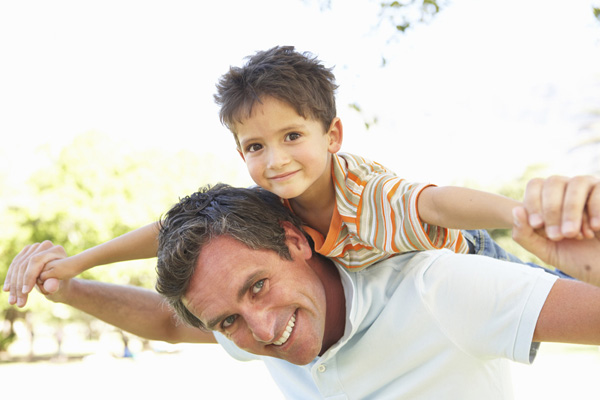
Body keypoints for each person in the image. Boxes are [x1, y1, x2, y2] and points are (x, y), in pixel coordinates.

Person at [3, 47, 597, 306]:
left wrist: (520, 216)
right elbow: (169, 231)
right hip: (400, 282)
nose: (276, 159)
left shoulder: (368, 196)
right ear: (241, 154)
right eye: (256, 146)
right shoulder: (268, 202)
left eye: (292, 137)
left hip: (478, 254)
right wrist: (77, 263)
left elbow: (439, 205)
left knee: (574, 288)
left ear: (332, 137)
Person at [14, 178, 600, 399]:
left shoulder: (440, 289)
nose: (262, 331)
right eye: (226, 322)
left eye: (259, 286)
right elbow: (169, 322)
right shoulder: (242, 322)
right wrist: (70, 288)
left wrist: (589, 262)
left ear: (297, 240)